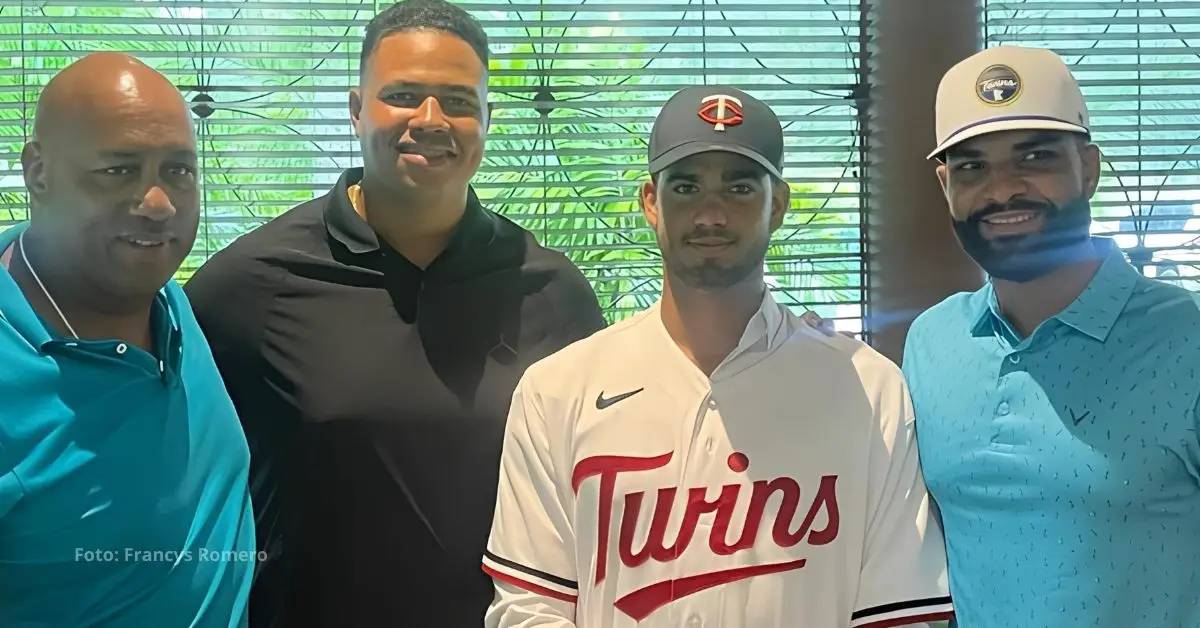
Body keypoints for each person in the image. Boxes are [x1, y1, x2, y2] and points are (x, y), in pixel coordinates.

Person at [183, 0, 606, 625]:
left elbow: (598, 495)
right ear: (357, 110)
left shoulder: (552, 292)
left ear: (488, 118)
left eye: (459, 102)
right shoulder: (252, 284)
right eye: (403, 95)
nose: (430, 120)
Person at [481, 85, 955, 628]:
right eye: (685, 187)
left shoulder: (870, 391)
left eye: (739, 187)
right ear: (651, 204)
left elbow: (899, 614)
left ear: (778, 205)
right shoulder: (559, 389)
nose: (711, 212)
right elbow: (529, 607)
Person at [805, 46, 1200, 628]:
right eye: (971, 167)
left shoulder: (1184, 337)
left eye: (1034, 157)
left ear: (1087, 168)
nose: (1002, 190)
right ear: (945, 184)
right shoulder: (932, 340)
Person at [0, 52, 255, 627]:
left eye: (179, 170)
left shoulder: (168, 302)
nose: (159, 204)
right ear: (37, 171)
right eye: (120, 170)